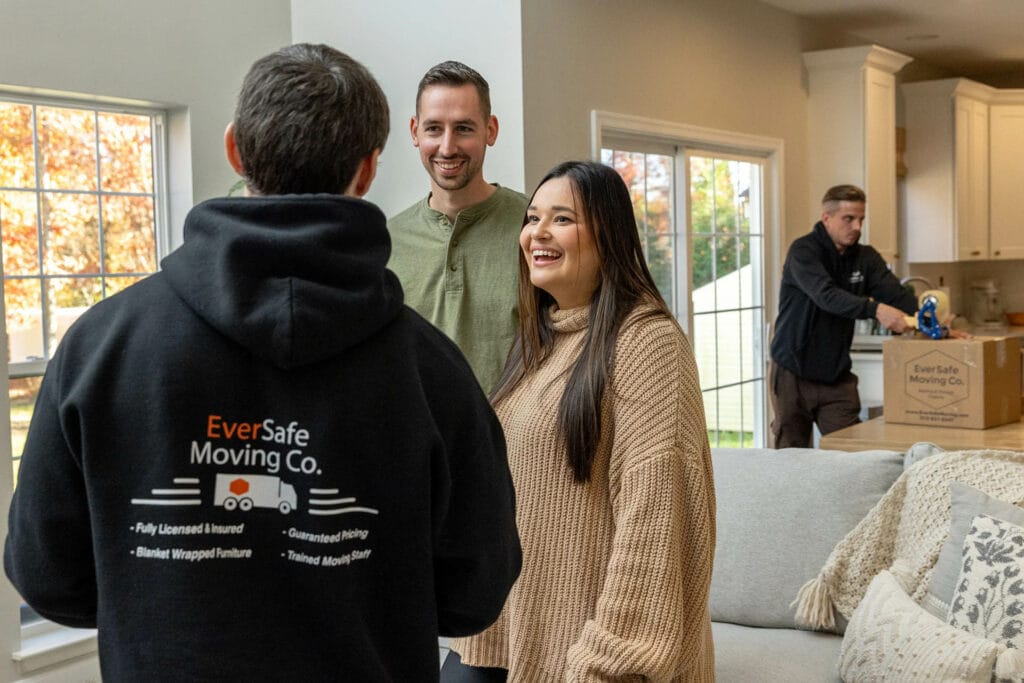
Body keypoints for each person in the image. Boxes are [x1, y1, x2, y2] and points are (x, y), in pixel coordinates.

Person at [4, 43, 521, 682]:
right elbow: (474, 596)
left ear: (235, 151)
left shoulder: (99, 347)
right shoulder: (433, 371)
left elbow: (50, 582)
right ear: (367, 169)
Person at [442, 161, 716, 681]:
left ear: (609, 236)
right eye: (532, 218)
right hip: (499, 635)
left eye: (562, 218)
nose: (537, 233)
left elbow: (655, 521)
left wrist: (607, 661)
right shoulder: (542, 340)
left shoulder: (647, 343)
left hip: (582, 656)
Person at [388, 61, 528, 395]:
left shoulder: (534, 227)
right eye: (434, 128)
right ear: (414, 131)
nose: (447, 147)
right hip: (419, 442)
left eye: (464, 128)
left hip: (519, 444)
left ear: (490, 130)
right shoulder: (387, 242)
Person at [769, 184, 917, 448]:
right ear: (826, 217)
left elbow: (896, 295)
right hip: (793, 372)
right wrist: (875, 309)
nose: (857, 226)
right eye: (848, 219)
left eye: (861, 219)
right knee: (790, 459)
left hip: (836, 377)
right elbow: (826, 295)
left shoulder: (865, 258)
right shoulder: (803, 252)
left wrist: (932, 321)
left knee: (850, 453)